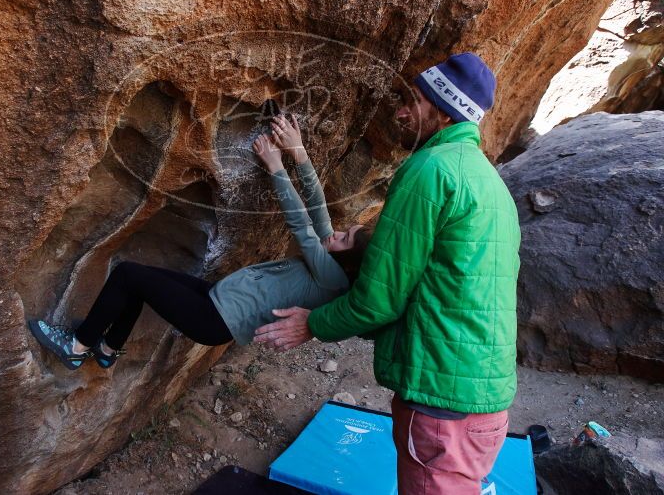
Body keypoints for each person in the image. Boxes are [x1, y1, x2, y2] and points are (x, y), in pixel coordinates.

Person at [254, 53, 521, 494]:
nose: (400, 111)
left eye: (414, 102)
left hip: (440, 399)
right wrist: (362, 244)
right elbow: (452, 272)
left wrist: (312, 325)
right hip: (485, 397)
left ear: (444, 110)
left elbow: (381, 299)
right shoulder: (490, 183)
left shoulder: (429, 170)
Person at [28, 114, 371, 370]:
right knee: (137, 280)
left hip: (214, 318)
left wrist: (276, 166)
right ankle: (107, 349)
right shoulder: (333, 265)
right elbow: (317, 209)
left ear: (347, 261)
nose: (336, 234)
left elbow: (302, 223)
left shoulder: (331, 278)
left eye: (344, 239)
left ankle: (77, 346)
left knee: (127, 276)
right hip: (218, 299)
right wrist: (299, 154)